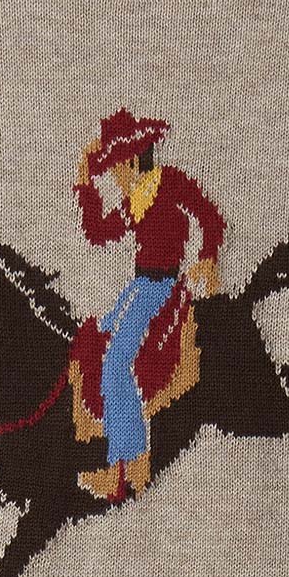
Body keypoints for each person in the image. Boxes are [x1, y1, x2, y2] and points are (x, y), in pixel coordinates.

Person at [74, 108, 226, 499]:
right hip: (139, 288)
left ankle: (130, 465)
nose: (114, 177)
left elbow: (211, 216)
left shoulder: (169, 183)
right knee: (96, 348)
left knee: (116, 364)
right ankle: (112, 456)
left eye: (115, 168)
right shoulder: (135, 200)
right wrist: (85, 184)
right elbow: (98, 232)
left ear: (131, 160)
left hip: (160, 289)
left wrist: (208, 257)